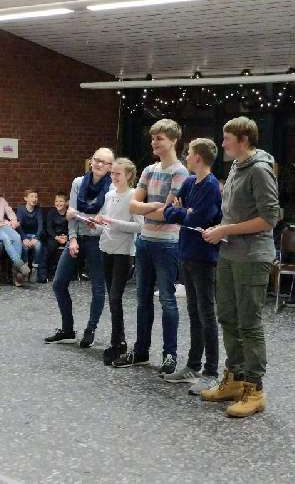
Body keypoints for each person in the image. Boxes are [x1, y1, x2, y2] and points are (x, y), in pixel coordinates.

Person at [199, 117, 279, 418]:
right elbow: (234, 213)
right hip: (231, 254)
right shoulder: (236, 167)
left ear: (243, 139)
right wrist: (222, 229)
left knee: (249, 322)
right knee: (228, 318)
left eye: (227, 138)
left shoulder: (259, 170)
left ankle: (254, 389)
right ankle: (234, 378)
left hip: (253, 256)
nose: (222, 144)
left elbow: (269, 218)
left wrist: (225, 231)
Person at [112, 120, 189, 375]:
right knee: (142, 299)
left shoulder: (180, 172)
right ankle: (142, 351)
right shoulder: (148, 169)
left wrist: (150, 210)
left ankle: (170, 355)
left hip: (167, 244)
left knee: (167, 300)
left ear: (173, 141)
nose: (155, 142)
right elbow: (132, 206)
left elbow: (169, 214)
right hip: (144, 242)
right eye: (153, 138)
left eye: (160, 138)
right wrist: (153, 209)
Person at [162, 138, 222, 396]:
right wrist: (181, 211)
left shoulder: (210, 186)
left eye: (189, 154)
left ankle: (211, 371)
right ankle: (193, 365)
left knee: (206, 314)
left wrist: (182, 211)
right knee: (194, 313)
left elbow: (197, 217)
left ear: (198, 157)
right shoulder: (189, 182)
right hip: (186, 252)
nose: (186, 156)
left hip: (204, 256)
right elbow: (168, 211)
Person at [45, 147, 114, 346]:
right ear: (91, 161)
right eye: (96, 160)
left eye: (104, 162)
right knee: (59, 283)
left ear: (110, 167)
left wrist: (90, 219)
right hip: (78, 237)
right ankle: (67, 329)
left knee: (98, 288)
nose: (99, 164)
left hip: (98, 241)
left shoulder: (111, 189)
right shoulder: (78, 182)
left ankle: (90, 330)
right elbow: (71, 213)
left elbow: (105, 219)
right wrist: (72, 239)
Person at [96, 158, 143, 365]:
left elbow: (139, 226)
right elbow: (105, 221)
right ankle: (118, 340)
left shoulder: (133, 196)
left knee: (115, 297)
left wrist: (112, 222)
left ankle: (119, 342)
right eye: (112, 173)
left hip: (123, 253)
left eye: (118, 174)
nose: (114, 177)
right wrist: (95, 223)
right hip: (106, 248)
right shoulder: (109, 194)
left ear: (129, 176)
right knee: (112, 298)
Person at [17, 189, 46, 283]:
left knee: (38, 246)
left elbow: (41, 225)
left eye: (36, 197)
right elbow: (19, 226)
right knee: (24, 248)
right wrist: (24, 238)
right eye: (32, 196)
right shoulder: (21, 209)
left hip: (34, 235)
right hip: (24, 235)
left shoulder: (38, 209)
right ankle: (25, 271)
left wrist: (36, 238)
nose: (34, 199)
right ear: (26, 198)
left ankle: (34, 269)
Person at [45, 192, 69, 279]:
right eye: (56, 201)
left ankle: (70, 272)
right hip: (54, 237)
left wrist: (67, 237)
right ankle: (51, 271)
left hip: (66, 237)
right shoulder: (52, 212)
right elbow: (49, 228)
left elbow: (72, 227)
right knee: (51, 247)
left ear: (67, 202)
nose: (58, 203)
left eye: (61, 201)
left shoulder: (69, 213)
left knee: (73, 246)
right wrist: (56, 237)